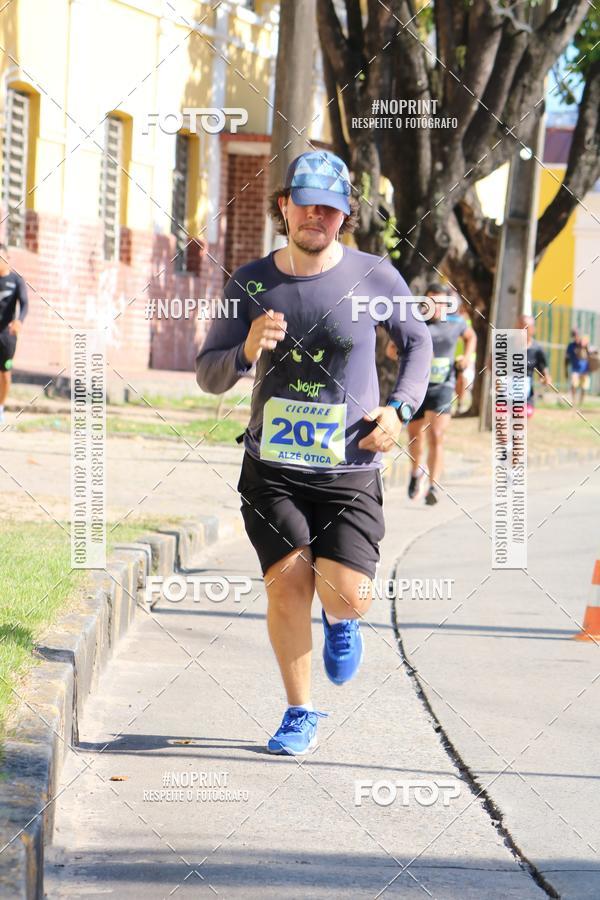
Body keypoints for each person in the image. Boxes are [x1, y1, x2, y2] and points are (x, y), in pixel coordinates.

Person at [196, 150, 432, 755]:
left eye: (329, 207)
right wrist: (246, 350)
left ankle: (342, 618)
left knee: (345, 593)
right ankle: (300, 711)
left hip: (349, 468)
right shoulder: (249, 281)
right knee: (287, 583)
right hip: (271, 469)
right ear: (285, 205)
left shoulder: (375, 275)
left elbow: (418, 343)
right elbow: (209, 374)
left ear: (345, 213)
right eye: (306, 203)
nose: (316, 216)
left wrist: (400, 409)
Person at [387, 283, 475, 506]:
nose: (435, 307)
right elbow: (390, 349)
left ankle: (433, 486)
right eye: (430, 301)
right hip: (416, 388)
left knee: (437, 435)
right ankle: (416, 473)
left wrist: (466, 357)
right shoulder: (413, 324)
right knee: (416, 436)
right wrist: (411, 356)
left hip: (443, 387)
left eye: (440, 302)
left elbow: (471, 337)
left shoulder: (456, 323)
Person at [0, 243, 28, 424]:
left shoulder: (17, 280)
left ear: (7, 258)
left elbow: (25, 304)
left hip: (7, 335)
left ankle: (0, 407)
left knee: (4, 373)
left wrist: (19, 321)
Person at [518, 314, 552, 416]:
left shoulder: (537, 350)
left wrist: (546, 380)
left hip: (526, 398)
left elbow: (544, 374)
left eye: (525, 328)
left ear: (532, 330)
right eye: (519, 327)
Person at [454, 301, 477, 414]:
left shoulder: (470, 323)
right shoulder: (454, 321)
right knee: (458, 381)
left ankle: (461, 403)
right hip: (455, 357)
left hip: (468, 358)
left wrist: (467, 357)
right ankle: (459, 403)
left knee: (463, 379)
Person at [565, 329, 590, 407]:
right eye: (574, 335)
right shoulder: (571, 346)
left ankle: (581, 404)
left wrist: (585, 346)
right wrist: (565, 370)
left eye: (577, 335)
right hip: (575, 370)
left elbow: (590, 355)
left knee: (584, 388)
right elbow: (566, 359)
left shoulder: (584, 344)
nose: (576, 337)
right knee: (574, 385)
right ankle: (574, 403)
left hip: (585, 370)